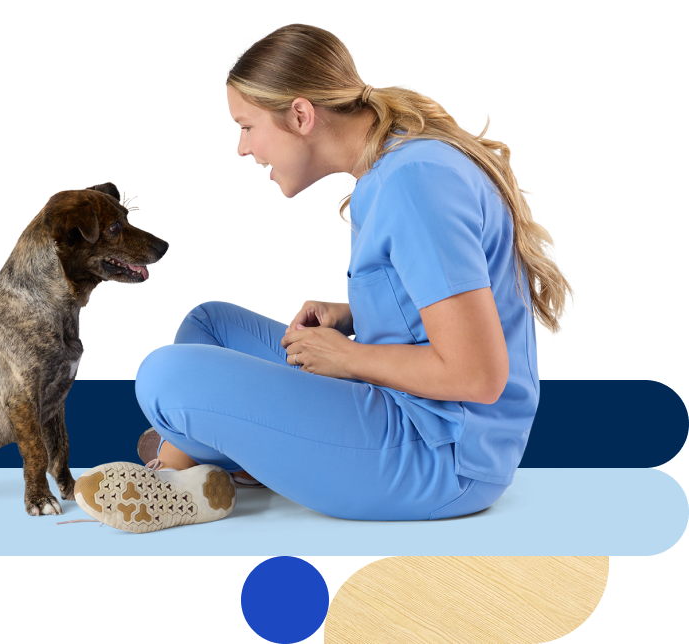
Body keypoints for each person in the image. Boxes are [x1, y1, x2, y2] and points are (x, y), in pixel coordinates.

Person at [72, 23, 576, 533]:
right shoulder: (396, 165)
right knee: (212, 324)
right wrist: (356, 317)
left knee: (165, 375)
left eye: (246, 127)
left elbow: (479, 375)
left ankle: (176, 475)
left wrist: (348, 355)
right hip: (409, 418)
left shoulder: (413, 182)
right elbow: (449, 305)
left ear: (299, 115)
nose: (242, 150)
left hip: (439, 458)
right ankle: (206, 458)